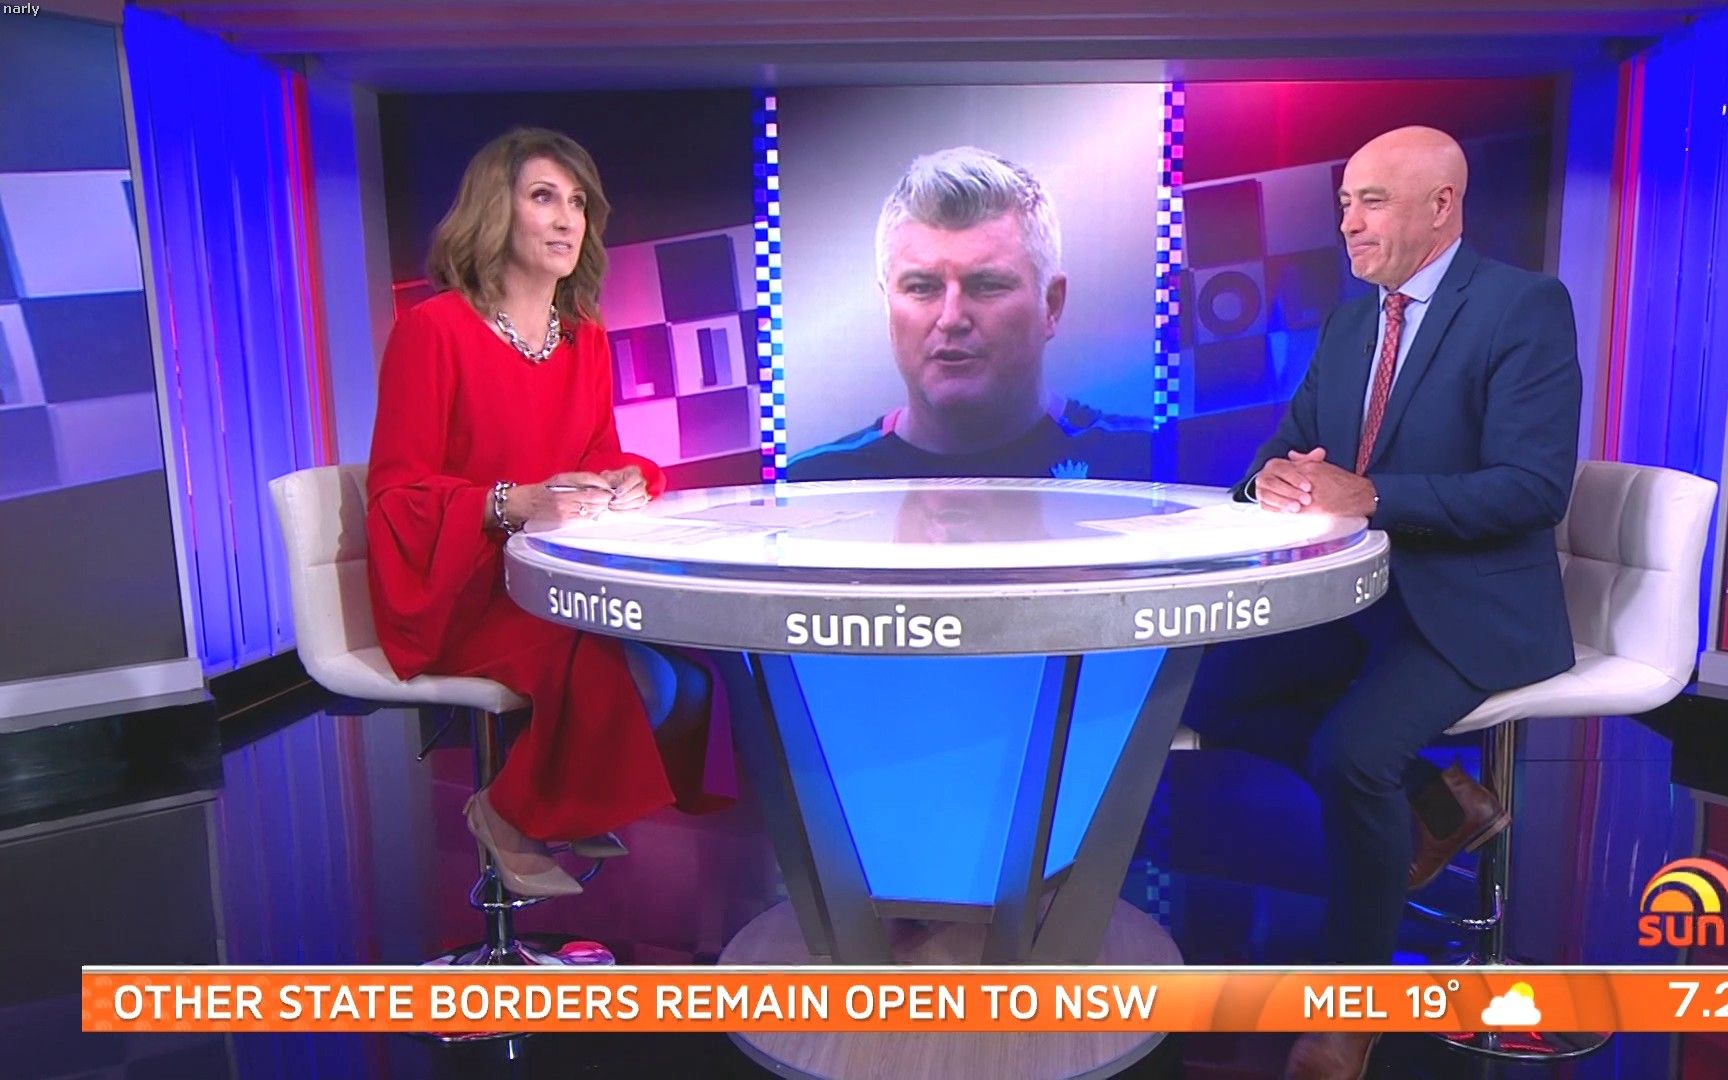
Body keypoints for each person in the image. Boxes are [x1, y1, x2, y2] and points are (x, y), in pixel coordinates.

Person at [1178, 126, 1581, 1080]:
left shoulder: (1523, 307)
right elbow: (1281, 451)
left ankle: (1351, 1007)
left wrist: (1372, 495)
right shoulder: (1352, 323)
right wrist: (1270, 481)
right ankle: (1438, 803)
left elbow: (1533, 489)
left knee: (1351, 754)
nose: (1349, 224)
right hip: (1357, 595)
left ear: (1442, 206)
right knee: (1203, 691)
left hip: (1472, 603)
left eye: (1372, 202)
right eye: (1345, 204)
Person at [366, 128, 720, 899]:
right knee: (630, 678)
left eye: (578, 203)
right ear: (495, 210)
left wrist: (625, 479)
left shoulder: (584, 337)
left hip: (550, 579)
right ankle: (505, 812)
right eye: (543, 197)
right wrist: (510, 501)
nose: (567, 220)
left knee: (688, 678)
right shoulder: (434, 331)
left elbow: (597, 453)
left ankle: (568, 799)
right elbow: (397, 495)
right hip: (461, 583)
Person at [786, 146, 1150, 482]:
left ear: (1051, 304)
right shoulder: (812, 489)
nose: (951, 318)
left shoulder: (1152, 469)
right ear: (887, 305)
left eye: (986, 285)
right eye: (922, 287)